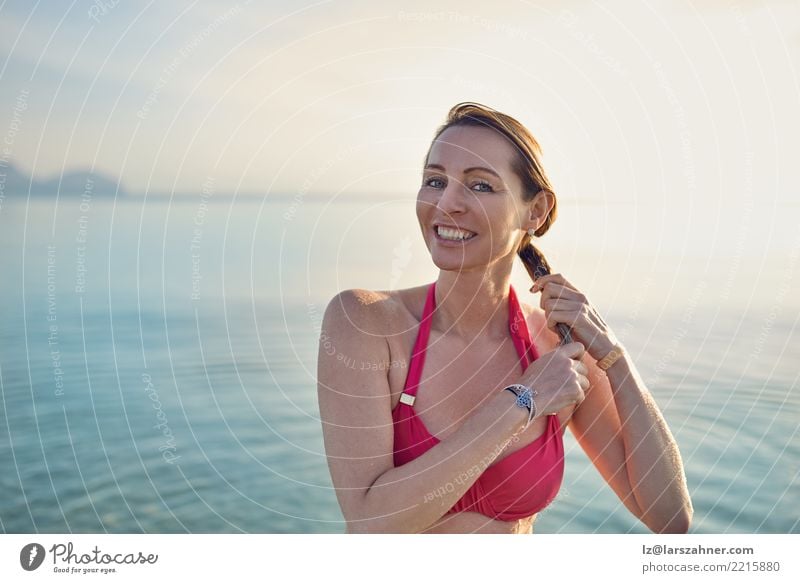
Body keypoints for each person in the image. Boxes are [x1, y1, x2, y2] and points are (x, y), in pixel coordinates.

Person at [317, 102, 692, 534]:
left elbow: (670, 517)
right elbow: (371, 525)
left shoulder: (559, 350)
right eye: (435, 181)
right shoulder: (366, 323)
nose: (447, 203)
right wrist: (522, 401)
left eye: (480, 186)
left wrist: (613, 355)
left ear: (535, 211)